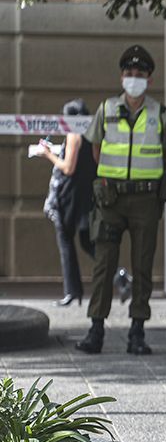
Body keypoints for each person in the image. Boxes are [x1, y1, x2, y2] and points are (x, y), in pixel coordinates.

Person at [76, 45, 166, 355]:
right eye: (129, 74)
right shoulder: (106, 109)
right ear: (122, 76)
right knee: (104, 265)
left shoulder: (159, 113)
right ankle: (96, 330)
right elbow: (96, 149)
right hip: (111, 199)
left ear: (149, 78)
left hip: (146, 199)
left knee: (142, 265)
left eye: (140, 75)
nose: (134, 79)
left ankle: (137, 331)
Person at [38, 99, 97, 307]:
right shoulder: (91, 134)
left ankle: (72, 291)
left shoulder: (74, 135)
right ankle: (119, 274)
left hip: (69, 196)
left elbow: (68, 167)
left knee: (65, 240)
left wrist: (47, 155)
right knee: (88, 241)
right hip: (85, 194)